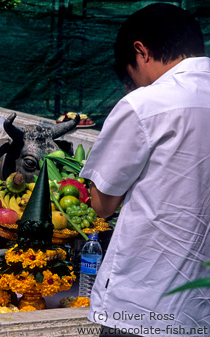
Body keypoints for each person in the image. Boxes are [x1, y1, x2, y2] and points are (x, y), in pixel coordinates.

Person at [80, 3, 210, 337]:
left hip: (144, 306)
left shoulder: (146, 104)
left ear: (141, 52)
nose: (134, 86)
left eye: (131, 76)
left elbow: (102, 204)